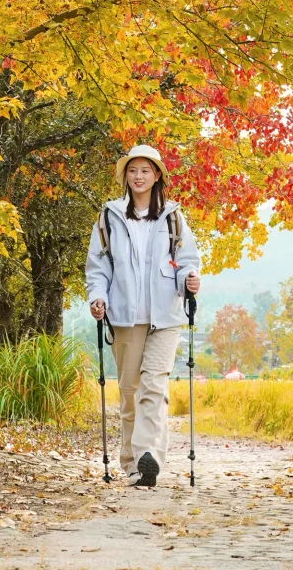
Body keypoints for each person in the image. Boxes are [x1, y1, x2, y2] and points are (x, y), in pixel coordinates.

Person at [86, 145, 201, 488]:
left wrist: (190, 279)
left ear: (157, 176)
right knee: (129, 391)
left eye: (145, 171)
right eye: (132, 170)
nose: (138, 176)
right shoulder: (109, 218)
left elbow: (186, 261)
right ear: (126, 176)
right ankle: (131, 464)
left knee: (154, 385)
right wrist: (97, 298)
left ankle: (148, 455)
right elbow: (98, 269)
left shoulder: (173, 217)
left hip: (165, 315)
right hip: (125, 316)